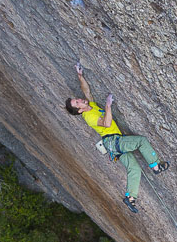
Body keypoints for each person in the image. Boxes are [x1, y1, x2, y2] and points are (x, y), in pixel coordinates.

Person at [65, 62, 169, 213]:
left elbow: (86, 91)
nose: (80, 100)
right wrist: (108, 105)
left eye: (77, 99)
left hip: (113, 145)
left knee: (134, 169)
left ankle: (130, 197)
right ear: (79, 110)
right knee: (141, 141)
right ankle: (156, 166)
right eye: (77, 102)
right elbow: (106, 124)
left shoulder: (91, 106)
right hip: (113, 142)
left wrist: (80, 75)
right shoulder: (89, 117)